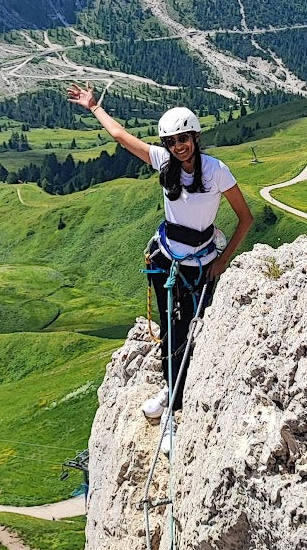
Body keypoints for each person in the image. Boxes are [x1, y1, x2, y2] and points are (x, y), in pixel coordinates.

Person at [67, 84, 253, 453]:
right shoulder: (163, 162)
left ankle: (175, 403)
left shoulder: (217, 171)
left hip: (200, 261)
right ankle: (172, 394)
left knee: (182, 330)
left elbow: (245, 219)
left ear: (195, 137)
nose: (178, 146)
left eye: (184, 138)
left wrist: (223, 260)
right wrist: (94, 108)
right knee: (171, 329)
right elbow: (121, 137)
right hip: (166, 257)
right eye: (171, 141)